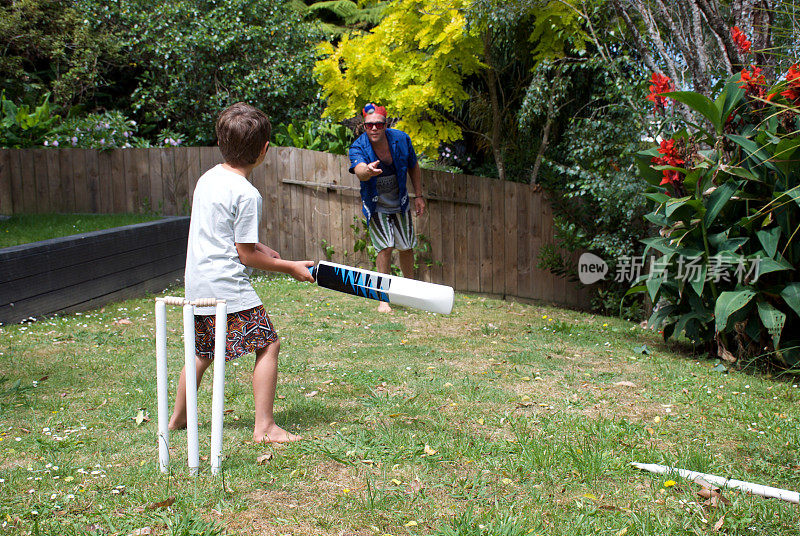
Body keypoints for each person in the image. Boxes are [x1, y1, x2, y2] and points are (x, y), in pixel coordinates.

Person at [168, 102, 314, 443]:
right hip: (226, 285)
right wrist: (289, 267)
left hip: (198, 280)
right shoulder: (247, 194)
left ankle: (178, 419)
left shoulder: (208, 179)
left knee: (203, 353)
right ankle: (264, 427)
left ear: (221, 143)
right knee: (268, 344)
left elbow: (224, 235)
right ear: (264, 151)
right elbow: (244, 255)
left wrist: (264, 249)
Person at [349, 103, 426, 313]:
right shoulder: (358, 146)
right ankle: (383, 299)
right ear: (363, 126)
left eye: (378, 125)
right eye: (369, 125)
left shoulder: (401, 139)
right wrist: (367, 171)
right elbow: (359, 170)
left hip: (400, 201)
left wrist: (418, 196)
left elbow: (413, 166)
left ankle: (411, 293)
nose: (374, 129)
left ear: (386, 124)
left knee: (407, 246)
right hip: (376, 203)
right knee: (385, 247)